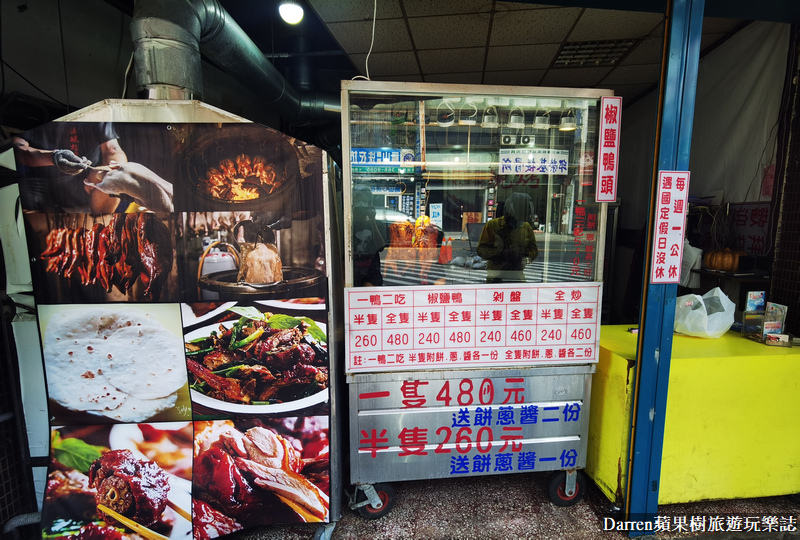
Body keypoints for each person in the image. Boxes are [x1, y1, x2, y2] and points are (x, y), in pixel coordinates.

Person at [14, 122, 172, 213]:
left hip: (88, 178)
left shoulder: (93, 115)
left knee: (114, 178)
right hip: (45, 182)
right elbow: (19, 151)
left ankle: (100, 224)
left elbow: (113, 150)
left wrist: (108, 170)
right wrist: (53, 157)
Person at [477, 192, 539, 283]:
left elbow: (533, 249)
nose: (518, 224)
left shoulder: (526, 227)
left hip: (517, 275)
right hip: (496, 276)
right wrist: (501, 253)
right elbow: (481, 249)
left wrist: (526, 258)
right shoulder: (493, 225)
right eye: (516, 221)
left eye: (521, 221)